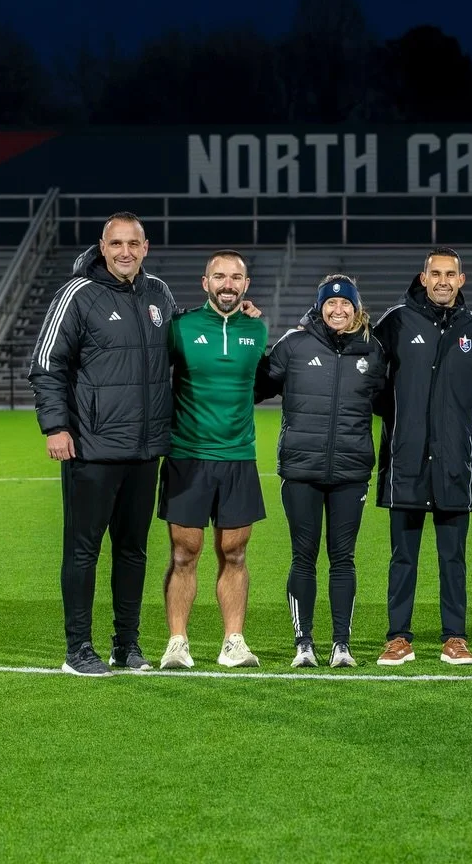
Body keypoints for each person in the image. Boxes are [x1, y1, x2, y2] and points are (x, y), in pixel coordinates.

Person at [29, 211, 175, 677]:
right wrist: (56, 427)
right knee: (83, 550)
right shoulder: (77, 294)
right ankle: (78, 649)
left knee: (133, 551)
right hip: (90, 447)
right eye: (117, 244)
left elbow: (178, 349)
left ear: (146, 247)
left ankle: (127, 645)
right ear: (102, 246)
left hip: (144, 448)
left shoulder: (159, 294)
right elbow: (47, 363)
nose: (125, 252)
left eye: (134, 244)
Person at [257, 276, 387, 669]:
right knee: (304, 556)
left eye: (345, 304)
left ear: (355, 307)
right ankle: (304, 643)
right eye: (330, 304)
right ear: (319, 307)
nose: (337, 310)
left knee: (343, 558)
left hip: (350, 470)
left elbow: (386, 401)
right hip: (301, 469)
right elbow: (256, 384)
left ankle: (341, 645)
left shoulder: (373, 350)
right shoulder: (294, 344)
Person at [372, 247, 472, 666]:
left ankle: (454, 637)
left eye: (451, 274)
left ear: (462, 280)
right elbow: (368, 375)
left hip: (454, 462)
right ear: (423, 278)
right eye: (435, 273)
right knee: (402, 556)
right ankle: (398, 637)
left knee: (453, 557)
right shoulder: (396, 322)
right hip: (405, 461)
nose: (443, 281)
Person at [156, 250, 270, 670]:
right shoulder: (180, 328)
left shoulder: (258, 328)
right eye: (219, 276)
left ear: (245, 285)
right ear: (205, 283)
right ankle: (177, 642)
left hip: (239, 457)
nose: (227, 284)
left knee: (235, 552)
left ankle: (233, 642)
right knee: (185, 553)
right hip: (188, 456)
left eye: (235, 277)